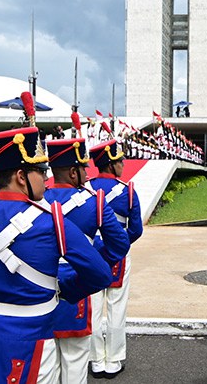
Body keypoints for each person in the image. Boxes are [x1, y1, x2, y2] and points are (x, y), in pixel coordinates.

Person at [0, 123, 112, 383]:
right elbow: (100, 274)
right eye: (40, 171)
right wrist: (65, 289)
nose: (46, 179)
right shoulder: (52, 223)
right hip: (32, 342)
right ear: (22, 177)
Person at [44, 125, 131, 383]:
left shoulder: (37, 201)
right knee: (75, 363)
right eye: (82, 168)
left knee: (46, 366)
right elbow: (119, 245)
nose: (85, 173)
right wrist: (94, 257)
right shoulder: (95, 201)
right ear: (73, 172)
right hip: (77, 287)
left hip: (40, 288)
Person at [86, 131, 144, 378]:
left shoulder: (85, 189)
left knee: (93, 307)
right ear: (110, 163)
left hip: (89, 252)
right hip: (117, 252)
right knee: (117, 306)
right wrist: (120, 244)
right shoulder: (128, 191)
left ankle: (96, 359)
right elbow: (136, 229)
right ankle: (115, 358)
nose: (123, 164)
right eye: (119, 160)